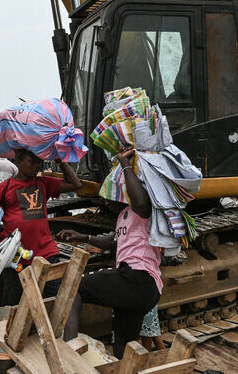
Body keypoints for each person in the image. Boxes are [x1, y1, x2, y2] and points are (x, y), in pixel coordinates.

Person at [60, 147, 162, 359]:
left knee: (74, 286)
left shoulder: (141, 210)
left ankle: (69, 352)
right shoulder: (123, 216)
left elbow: (140, 201)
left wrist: (125, 164)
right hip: (142, 290)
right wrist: (84, 237)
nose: (105, 200)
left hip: (138, 278)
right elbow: (115, 243)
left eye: (110, 196)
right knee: (123, 347)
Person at [0, 148, 82, 306]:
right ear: (19, 162)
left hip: (45, 250)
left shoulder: (43, 183)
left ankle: (51, 330)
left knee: (55, 298)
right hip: (14, 253)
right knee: (14, 303)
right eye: (32, 161)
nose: (37, 166)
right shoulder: (5, 186)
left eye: (39, 162)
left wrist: (59, 160)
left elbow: (75, 184)